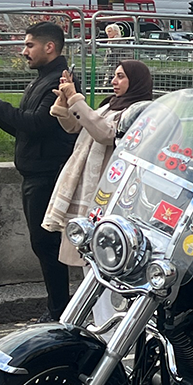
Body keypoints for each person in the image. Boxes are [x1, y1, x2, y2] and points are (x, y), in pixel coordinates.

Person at [0, 21, 75, 318]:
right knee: (42, 244)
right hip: (34, 173)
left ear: (49, 47)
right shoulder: (42, 79)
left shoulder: (60, 80)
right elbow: (22, 129)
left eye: (29, 45)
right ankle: (57, 309)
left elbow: (38, 125)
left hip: (47, 174)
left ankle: (59, 311)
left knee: (46, 244)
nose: (24, 51)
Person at [43, 59, 154, 265]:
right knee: (86, 252)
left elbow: (105, 134)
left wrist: (76, 98)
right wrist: (64, 104)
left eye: (121, 77)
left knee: (102, 253)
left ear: (137, 81)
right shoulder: (109, 105)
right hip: (88, 181)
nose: (114, 81)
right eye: (114, 76)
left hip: (109, 186)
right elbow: (76, 127)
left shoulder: (139, 111)